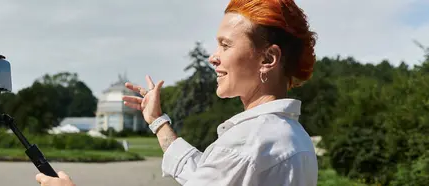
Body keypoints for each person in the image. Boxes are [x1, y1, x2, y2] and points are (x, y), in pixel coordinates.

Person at [35, 0, 318, 185]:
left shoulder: (251, 142)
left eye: (225, 45)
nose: (212, 57)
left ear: (268, 59)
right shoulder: (293, 137)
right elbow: (202, 174)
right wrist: (158, 121)